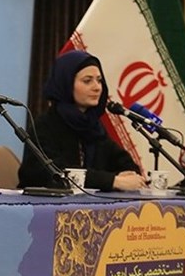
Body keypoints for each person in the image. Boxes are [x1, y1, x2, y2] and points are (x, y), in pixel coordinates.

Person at [17, 50, 146, 192]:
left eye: (99, 80)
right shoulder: (44, 126)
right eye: (87, 81)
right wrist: (113, 181)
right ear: (66, 84)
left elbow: (127, 165)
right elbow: (55, 173)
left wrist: (126, 176)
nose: (97, 87)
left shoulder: (94, 127)